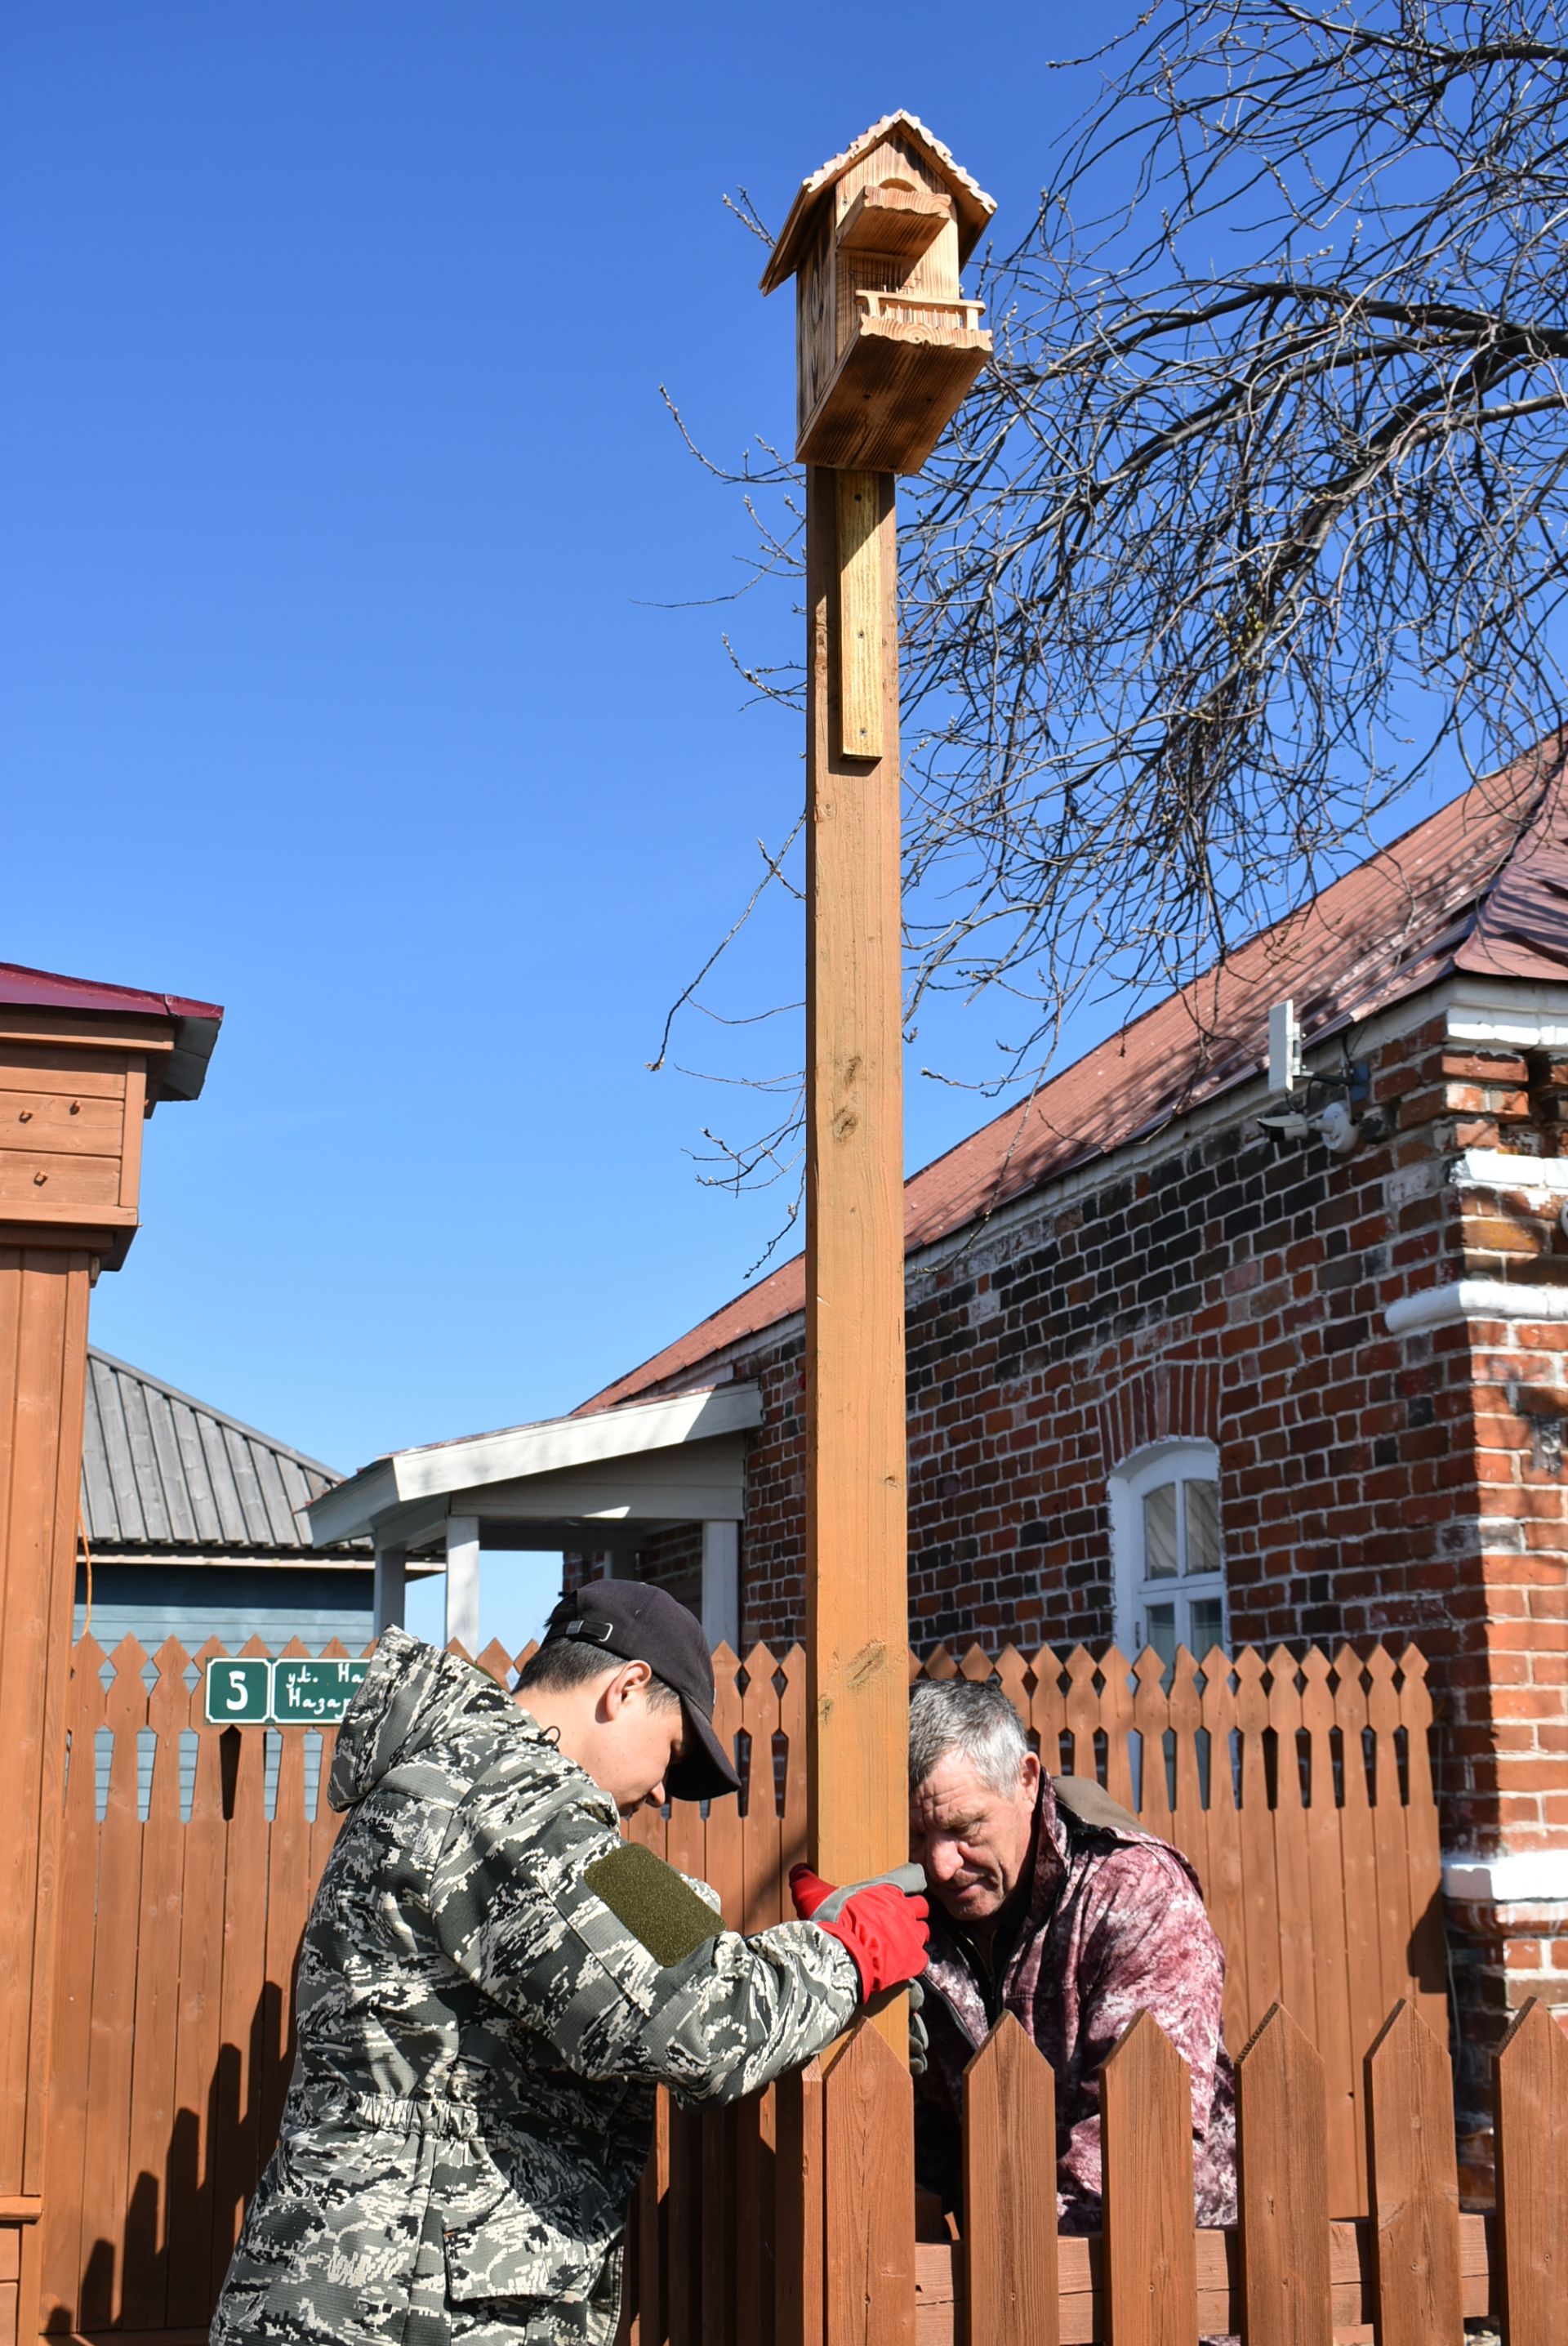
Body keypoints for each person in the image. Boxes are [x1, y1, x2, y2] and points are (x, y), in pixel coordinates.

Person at [212, 1579, 928, 2346]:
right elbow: (702, 2018)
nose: (659, 1792)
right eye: (672, 1754)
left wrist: (783, 1949)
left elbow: (674, 1951)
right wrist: (848, 1951)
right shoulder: (513, 1800)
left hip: (374, 2291)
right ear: (626, 1688)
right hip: (392, 2313)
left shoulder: (500, 1794)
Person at [903, 1676, 1235, 2233]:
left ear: (1026, 1781)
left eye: (964, 1828)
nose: (939, 1865)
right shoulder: (910, 1916)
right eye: (917, 1835)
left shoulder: (1133, 1893)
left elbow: (1146, 2130)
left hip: (1163, 2275)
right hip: (988, 2280)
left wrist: (1011, 2263)